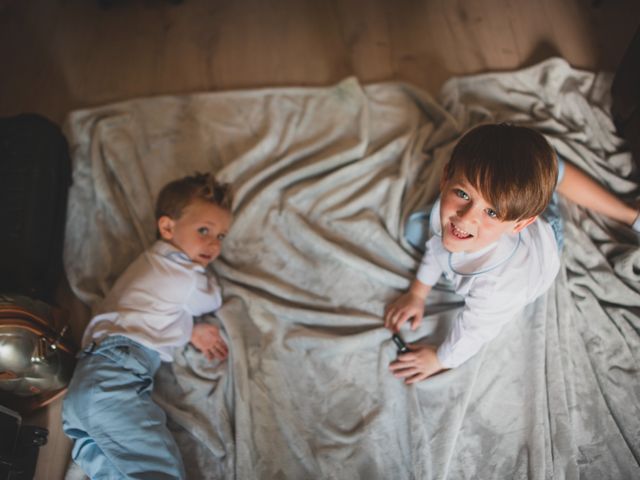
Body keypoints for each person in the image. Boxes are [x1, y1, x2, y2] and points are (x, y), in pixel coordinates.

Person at [384, 123, 640, 384]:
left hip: (545, 233)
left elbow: (473, 333)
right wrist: (417, 293)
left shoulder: (497, 288)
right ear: (445, 178)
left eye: (491, 212)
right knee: (419, 227)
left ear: (518, 226)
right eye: (463, 193)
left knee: (546, 174)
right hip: (515, 218)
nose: (465, 218)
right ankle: (533, 164)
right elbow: (437, 247)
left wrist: (439, 360)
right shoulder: (446, 213)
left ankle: (630, 214)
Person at [62, 172, 233, 479]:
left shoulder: (150, 262)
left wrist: (189, 330)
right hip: (114, 380)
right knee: (158, 470)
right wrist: (204, 283)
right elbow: (212, 300)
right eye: (204, 230)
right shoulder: (185, 274)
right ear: (167, 227)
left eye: (221, 236)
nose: (213, 244)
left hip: (92, 382)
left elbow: (144, 315)